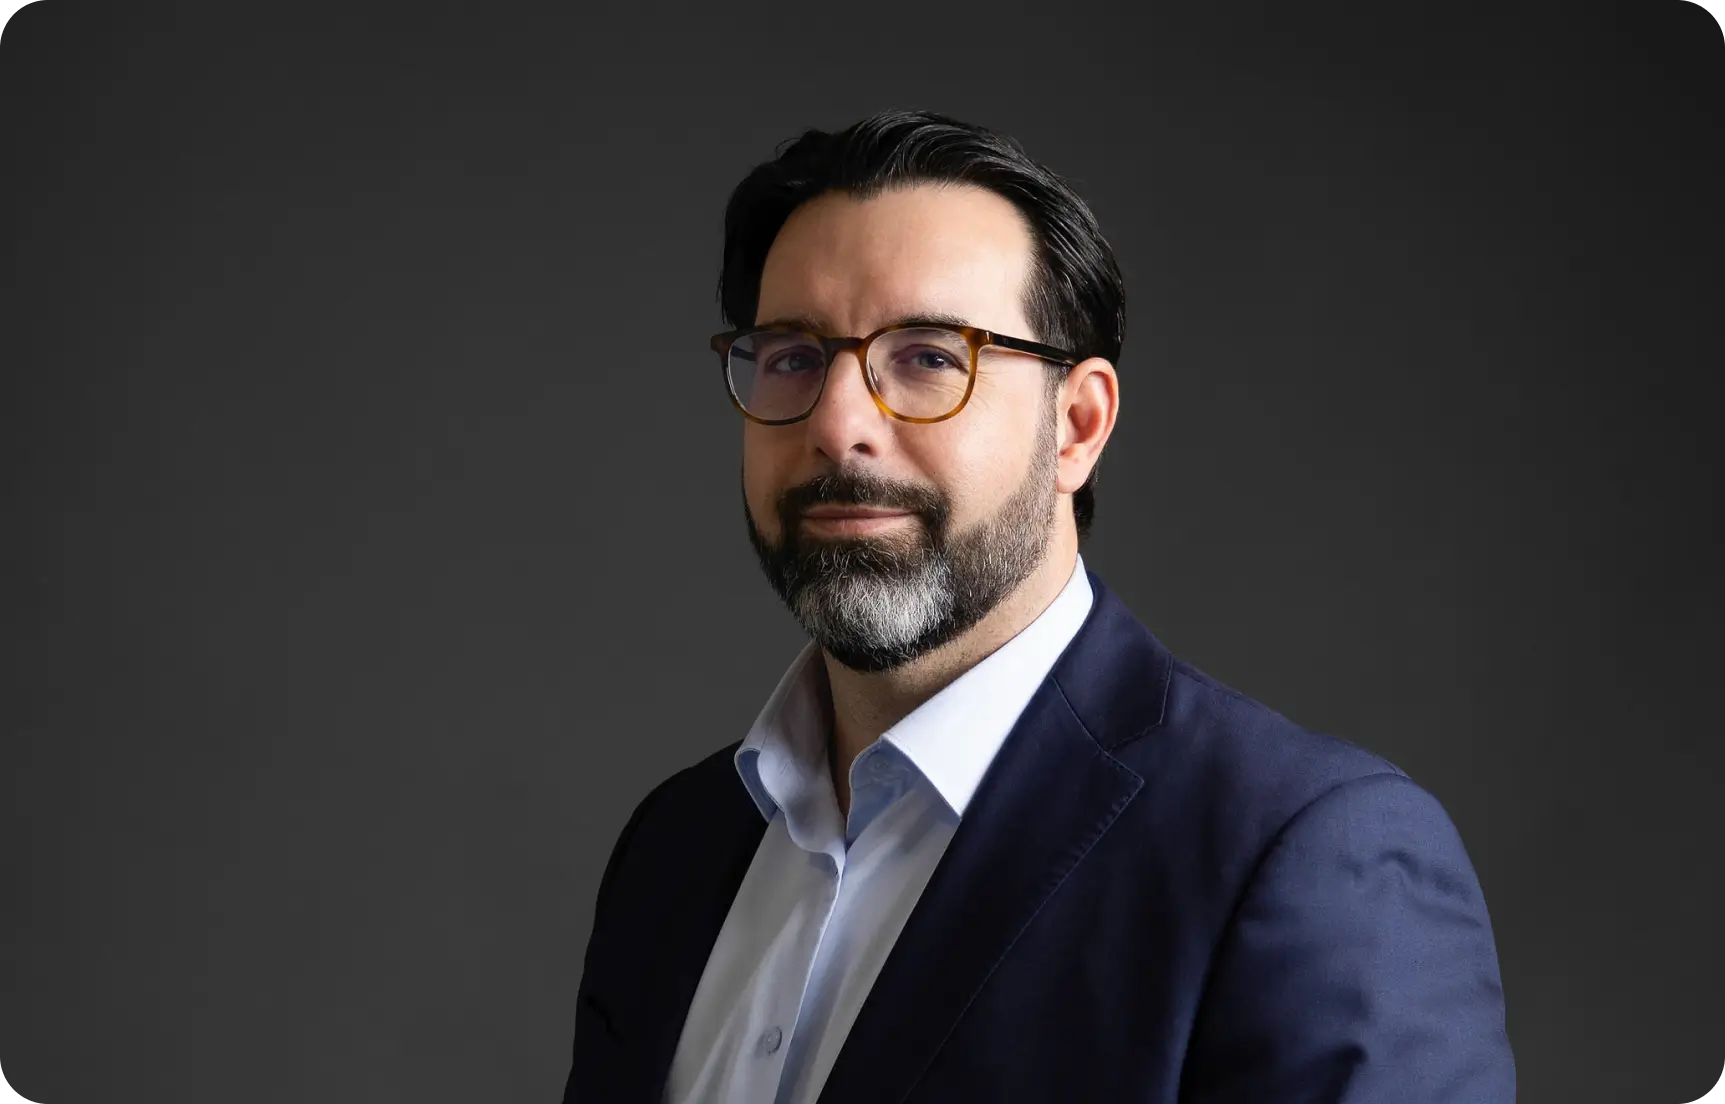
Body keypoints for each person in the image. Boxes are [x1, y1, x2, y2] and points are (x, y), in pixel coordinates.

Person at [561, 109, 1515, 1104]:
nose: (838, 424)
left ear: (1078, 426)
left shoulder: (1302, 853)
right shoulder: (676, 849)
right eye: (793, 357)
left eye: (928, 357)